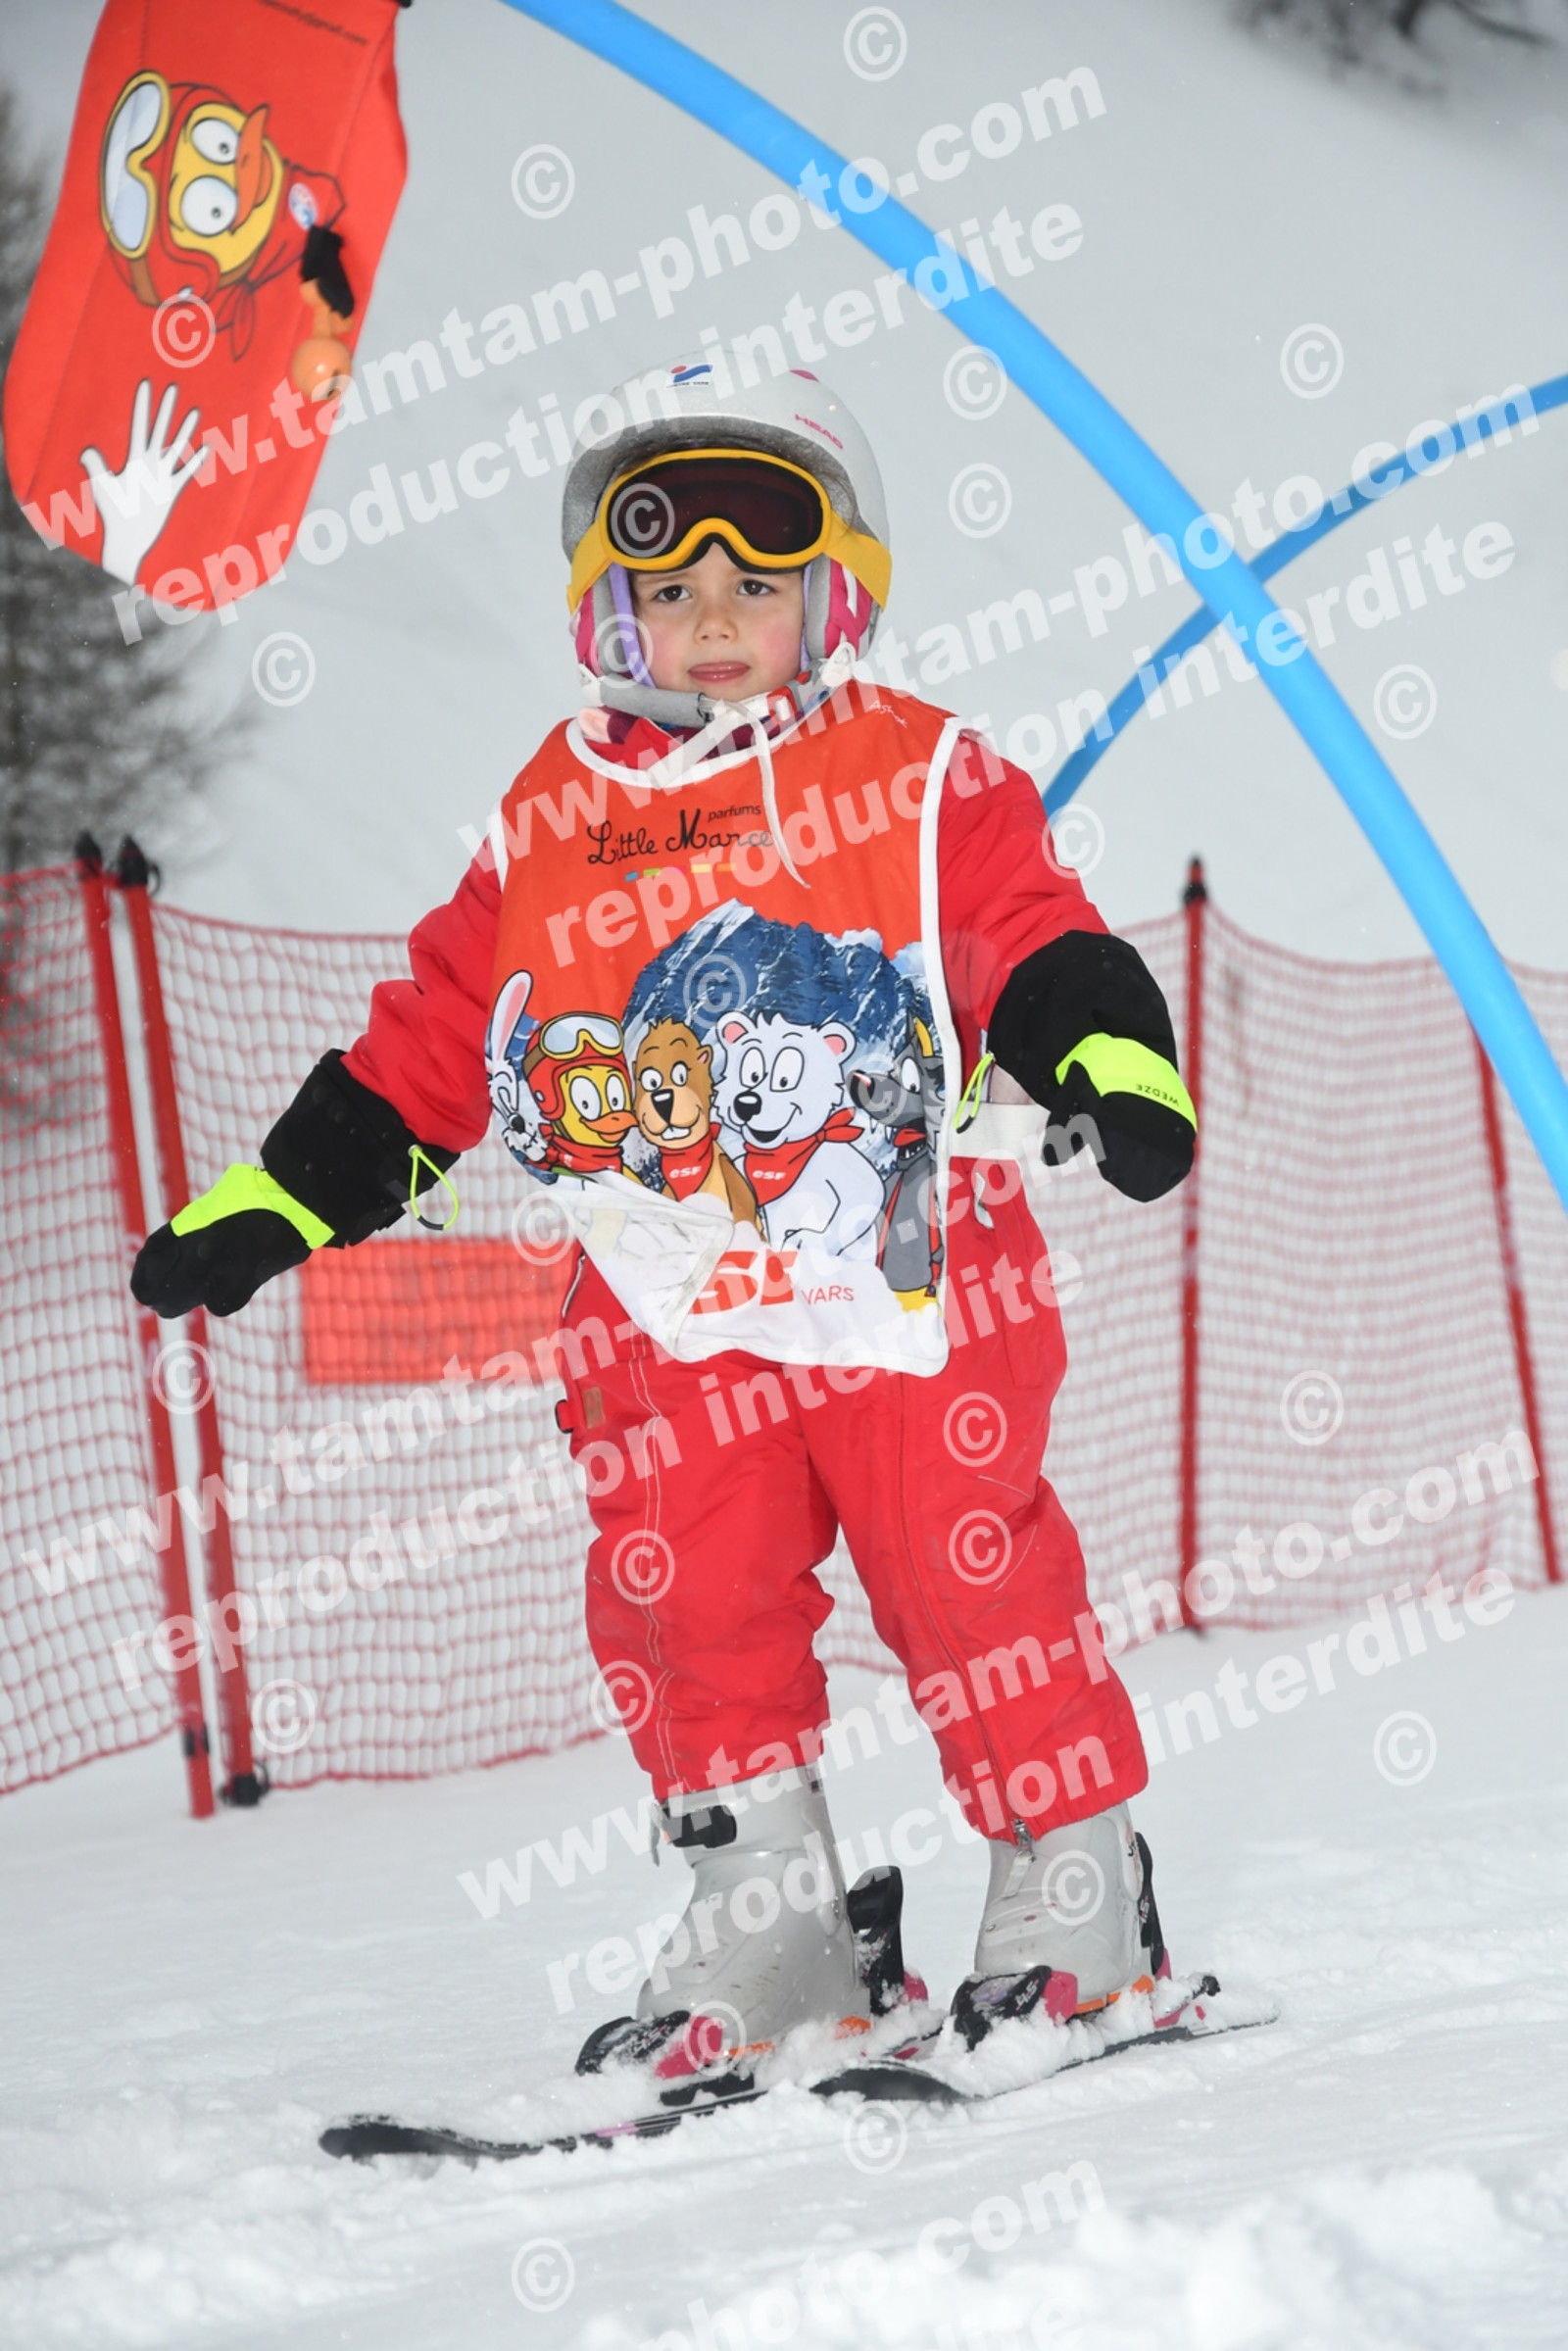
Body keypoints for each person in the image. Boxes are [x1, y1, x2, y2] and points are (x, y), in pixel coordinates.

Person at [132, 356, 1197, 2067]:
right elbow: (439, 1041)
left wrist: (1110, 1057)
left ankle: (1073, 1873)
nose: (712, 619)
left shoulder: (919, 773)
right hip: (663, 1305)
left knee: (963, 1569)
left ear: (829, 596)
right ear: (607, 607)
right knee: (684, 1596)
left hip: (904, 1285)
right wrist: (282, 1200)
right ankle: (772, 1913)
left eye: (755, 586)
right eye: (671, 586)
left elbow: (1029, 931)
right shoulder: (551, 821)